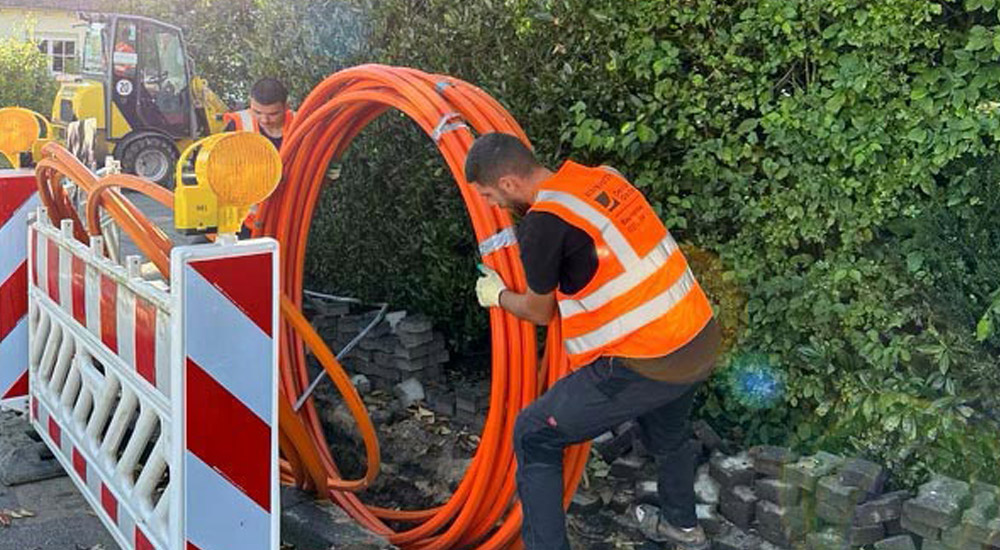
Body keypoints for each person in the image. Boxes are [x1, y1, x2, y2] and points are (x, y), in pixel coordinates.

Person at [466, 133, 722, 550]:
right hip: (696, 336)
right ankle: (682, 526)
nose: (494, 205)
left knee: (533, 433)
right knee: (668, 434)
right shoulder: (600, 177)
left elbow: (538, 311)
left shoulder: (543, 222)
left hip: (648, 358)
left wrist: (497, 296)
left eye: (491, 195)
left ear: (509, 183)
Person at [222, 77, 295, 150]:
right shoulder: (237, 124)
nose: (265, 120)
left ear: (286, 107)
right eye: (257, 112)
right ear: (251, 104)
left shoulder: (300, 123)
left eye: (273, 114)